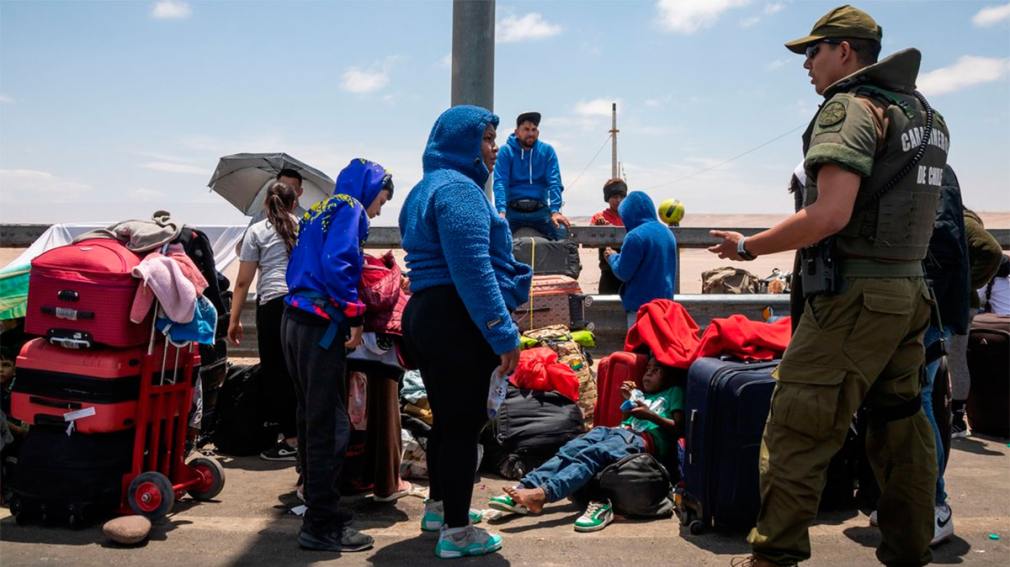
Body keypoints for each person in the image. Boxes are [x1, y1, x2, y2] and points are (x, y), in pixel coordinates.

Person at [709, 6, 950, 566]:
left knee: (798, 424)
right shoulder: (924, 114)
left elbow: (829, 215)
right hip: (908, 293)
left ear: (845, 52)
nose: (807, 65)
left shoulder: (850, 108)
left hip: (854, 301)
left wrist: (747, 247)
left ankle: (775, 554)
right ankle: (909, 548)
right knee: (900, 423)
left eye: (813, 52)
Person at [399, 105, 532, 559]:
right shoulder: (460, 190)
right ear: (463, 142)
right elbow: (473, 270)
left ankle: (440, 509)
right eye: (489, 139)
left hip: (428, 313)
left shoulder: (423, 189)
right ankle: (457, 533)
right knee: (463, 427)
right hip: (457, 316)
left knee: (446, 421)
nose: (496, 149)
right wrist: (503, 333)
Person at [281, 158, 392, 553]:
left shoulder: (318, 209)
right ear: (370, 188)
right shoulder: (350, 208)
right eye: (381, 199)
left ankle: (319, 507)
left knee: (311, 419)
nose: (378, 210)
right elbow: (340, 263)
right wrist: (355, 313)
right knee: (331, 426)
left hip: (293, 320)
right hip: (320, 328)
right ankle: (321, 525)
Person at [487, 356, 682, 532]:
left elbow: (678, 428)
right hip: (619, 430)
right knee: (572, 448)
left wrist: (650, 415)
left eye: (656, 370)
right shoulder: (641, 393)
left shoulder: (674, 392)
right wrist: (629, 402)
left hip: (643, 438)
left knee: (595, 453)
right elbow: (627, 420)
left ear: (669, 375)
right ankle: (525, 487)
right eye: (647, 368)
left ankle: (542, 495)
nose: (648, 373)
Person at [227, 182, 300, 462]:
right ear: (294, 203)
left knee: (277, 372)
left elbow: (243, 281)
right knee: (299, 370)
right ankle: (304, 435)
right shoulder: (303, 228)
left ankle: (290, 440)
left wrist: (234, 320)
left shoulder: (256, 232)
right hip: (302, 305)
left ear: (266, 205)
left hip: (272, 306)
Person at [603, 191, 678, 328]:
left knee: (639, 347)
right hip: (665, 305)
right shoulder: (667, 233)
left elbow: (623, 272)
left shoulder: (635, 236)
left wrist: (612, 257)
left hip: (641, 308)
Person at [493, 111, 571, 240]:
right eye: (526, 129)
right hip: (512, 210)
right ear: (517, 132)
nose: (530, 133)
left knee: (561, 231)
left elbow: (554, 182)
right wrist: (501, 211)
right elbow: (500, 182)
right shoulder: (506, 151)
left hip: (540, 210)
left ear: (538, 133)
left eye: (534, 130)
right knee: (495, 234)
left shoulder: (547, 151)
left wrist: (555, 211)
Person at [591, 178, 627, 294]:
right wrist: (599, 228)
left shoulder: (630, 216)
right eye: (614, 197)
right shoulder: (599, 217)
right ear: (607, 198)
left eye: (621, 197)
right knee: (606, 307)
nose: (618, 200)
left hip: (629, 270)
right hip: (608, 272)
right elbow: (589, 239)